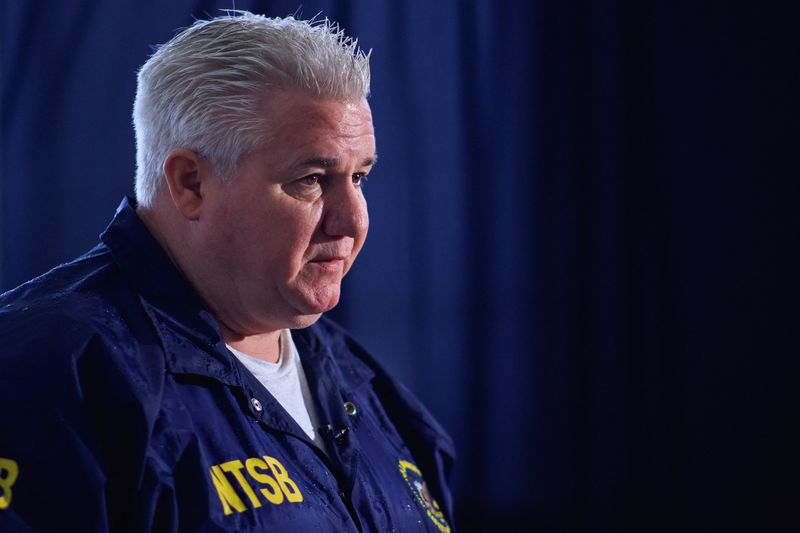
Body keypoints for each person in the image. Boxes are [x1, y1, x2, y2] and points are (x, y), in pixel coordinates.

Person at [0, 12, 454, 532]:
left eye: (360, 177)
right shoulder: (49, 372)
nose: (353, 221)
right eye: (311, 179)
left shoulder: (372, 389)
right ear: (191, 182)